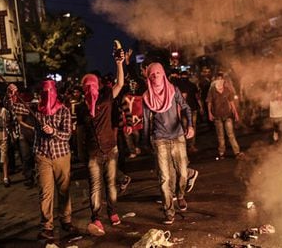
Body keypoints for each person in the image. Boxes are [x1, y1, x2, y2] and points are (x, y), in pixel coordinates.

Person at [78, 49, 131, 236]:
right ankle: (96, 218)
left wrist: (119, 64)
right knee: (96, 187)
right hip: (93, 152)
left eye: (91, 85)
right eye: (87, 86)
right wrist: (80, 152)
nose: (89, 88)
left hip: (110, 149)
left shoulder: (106, 96)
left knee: (110, 184)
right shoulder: (81, 108)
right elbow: (81, 132)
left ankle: (112, 212)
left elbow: (121, 83)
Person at [142, 62, 194, 225]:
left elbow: (186, 108)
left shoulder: (173, 91)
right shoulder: (147, 97)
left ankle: (180, 195)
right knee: (164, 178)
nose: (156, 76)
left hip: (178, 136)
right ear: (149, 78)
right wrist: (145, 142)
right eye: (152, 74)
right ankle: (169, 211)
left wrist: (190, 125)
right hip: (160, 139)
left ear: (163, 74)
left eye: (158, 73)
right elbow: (146, 122)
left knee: (183, 173)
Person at [34, 80, 78, 240]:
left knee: (64, 189)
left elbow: (67, 134)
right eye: (44, 92)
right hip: (43, 155)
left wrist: (53, 131)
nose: (48, 95)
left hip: (61, 155)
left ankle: (66, 221)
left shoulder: (64, 111)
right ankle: (47, 226)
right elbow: (15, 106)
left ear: (55, 92)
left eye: (50, 91)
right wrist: (11, 94)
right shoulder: (37, 110)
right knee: (45, 192)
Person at [207, 72, 243, 160]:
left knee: (231, 134)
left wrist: (236, 113)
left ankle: (237, 152)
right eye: (218, 79)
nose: (220, 81)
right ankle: (221, 152)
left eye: (221, 79)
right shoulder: (212, 90)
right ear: (215, 80)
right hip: (217, 116)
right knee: (220, 135)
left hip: (227, 115)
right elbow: (209, 102)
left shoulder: (227, 90)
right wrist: (210, 113)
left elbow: (231, 102)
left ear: (223, 80)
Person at [176, 71, 204, 153]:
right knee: (192, 126)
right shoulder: (192, 85)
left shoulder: (178, 86)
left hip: (184, 110)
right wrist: (201, 107)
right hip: (192, 108)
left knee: (185, 127)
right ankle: (191, 145)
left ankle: (186, 145)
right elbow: (197, 97)